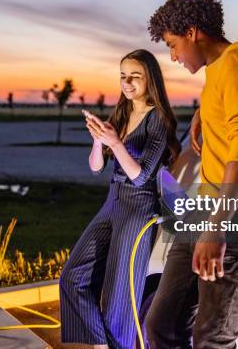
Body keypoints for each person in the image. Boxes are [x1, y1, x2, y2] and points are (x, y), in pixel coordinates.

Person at [145, 0, 238, 348]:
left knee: (211, 338)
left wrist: (217, 229)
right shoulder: (218, 73)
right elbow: (221, 132)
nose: (173, 57)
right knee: (162, 324)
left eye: (173, 45)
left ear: (192, 32)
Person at [59, 49, 181, 349]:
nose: (127, 83)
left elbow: (140, 176)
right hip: (112, 202)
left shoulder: (158, 120)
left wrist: (116, 142)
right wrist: (99, 143)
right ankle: (100, 343)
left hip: (139, 207)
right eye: (123, 76)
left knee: (119, 298)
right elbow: (96, 167)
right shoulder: (122, 113)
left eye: (134, 76)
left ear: (150, 78)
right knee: (72, 276)